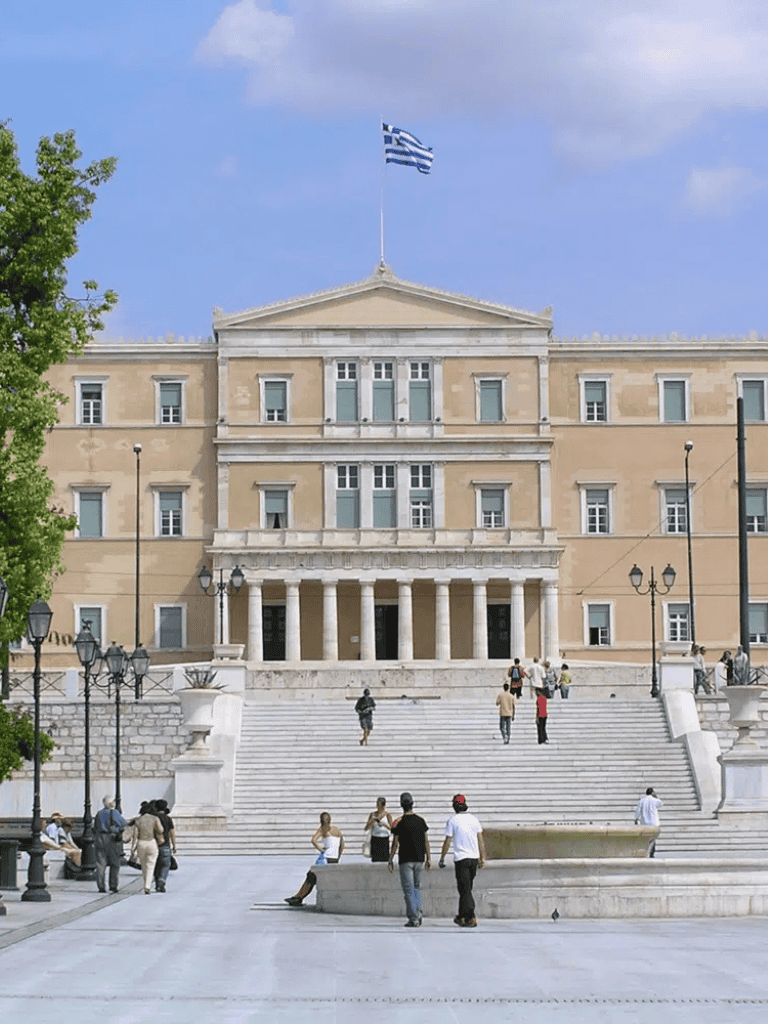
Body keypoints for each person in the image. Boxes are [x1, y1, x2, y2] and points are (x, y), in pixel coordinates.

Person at [439, 794, 485, 928]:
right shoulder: (474, 819)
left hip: (461, 859)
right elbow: (480, 840)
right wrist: (482, 858)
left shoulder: (453, 820)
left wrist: (442, 857)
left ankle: (471, 917)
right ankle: (461, 916)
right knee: (466, 888)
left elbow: (447, 841)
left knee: (465, 890)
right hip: (473, 859)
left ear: (454, 805)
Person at [388, 792, 431, 927]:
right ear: (412, 804)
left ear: (401, 805)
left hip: (406, 860)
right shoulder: (420, 821)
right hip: (419, 859)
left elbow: (395, 843)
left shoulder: (399, 823)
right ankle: (418, 913)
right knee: (417, 888)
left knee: (408, 890)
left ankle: (414, 918)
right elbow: (426, 841)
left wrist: (390, 859)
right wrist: (428, 858)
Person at [285, 812, 345, 906]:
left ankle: (298, 898)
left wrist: (320, 848)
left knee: (311, 876)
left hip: (326, 858)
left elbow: (313, 840)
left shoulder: (323, 829)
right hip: (334, 859)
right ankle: (298, 897)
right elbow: (342, 846)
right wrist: (337, 856)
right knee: (313, 876)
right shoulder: (337, 830)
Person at [128, 802, 164, 894]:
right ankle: (147, 886)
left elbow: (135, 836)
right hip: (151, 842)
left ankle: (146, 885)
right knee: (150, 866)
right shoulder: (154, 818)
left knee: (144, 866)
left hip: (141, 843)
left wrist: (133, 848)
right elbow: (161, 830)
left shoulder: (139, 820)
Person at [94, 796, 126, 894]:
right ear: (111, 803)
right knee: (115, 864)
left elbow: (95, 826)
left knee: (100, 864)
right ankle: (113, 885)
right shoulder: (114, 812)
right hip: (112, 839)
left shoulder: (99, 813)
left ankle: (101, 886)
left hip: (100, 839)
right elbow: (123, 823)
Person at [152, 799, 177, 893]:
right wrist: (174, 845)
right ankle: (162, 881)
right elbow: (172, 833)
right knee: (165, 864)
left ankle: (157, 882)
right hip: (165, 844)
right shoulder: (168, 818)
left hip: (154, 844)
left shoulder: (153, 818)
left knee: (155, 865)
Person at [634, 786, 663, 858]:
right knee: (653, 839)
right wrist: (656, 796)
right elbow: (661, 804)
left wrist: (636, 819)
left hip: (645, 823)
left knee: (646, 838)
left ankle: (646, 852)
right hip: (654, 823)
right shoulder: (655, 800)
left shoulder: (642, 800)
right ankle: (652, 853)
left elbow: (638, 811)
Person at [365, 797, 393, 862]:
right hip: (375, 839)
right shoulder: (372, 814)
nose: (378, 806)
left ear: (383, 806)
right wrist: (372, 821)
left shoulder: (388, 815)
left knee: (385, 859)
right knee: (375, 859)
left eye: (379, 805)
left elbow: (393, 829)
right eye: (377, 804)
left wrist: (385, 825)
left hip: (384, 839)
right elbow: (366, 828)